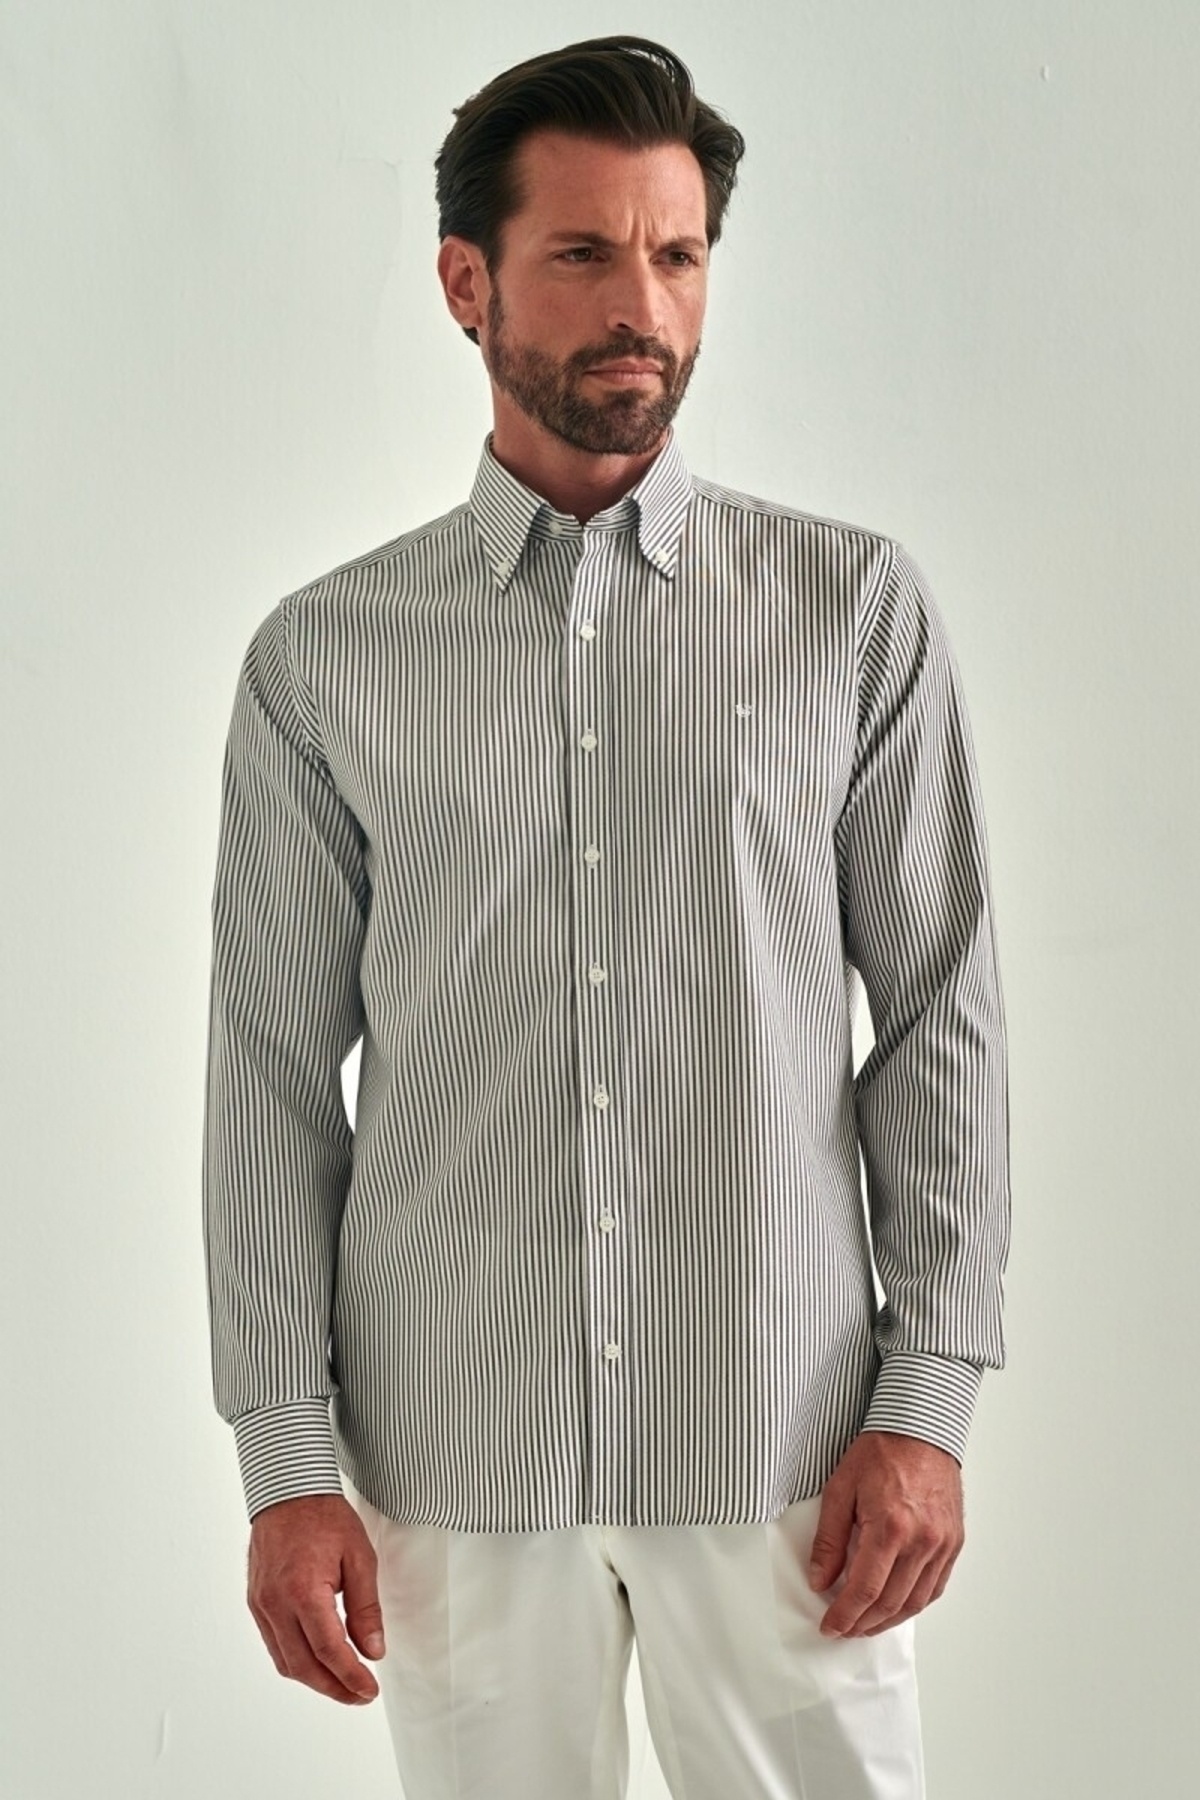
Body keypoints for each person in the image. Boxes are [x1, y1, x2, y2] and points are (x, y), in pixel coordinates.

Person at [202, 34, 1010, 1800]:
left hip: (789, 1442)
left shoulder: (852, 612)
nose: (641, 303)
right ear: (466, 283)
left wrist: (928, 1404)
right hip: (454, 1454)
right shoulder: (325, 658)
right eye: (582, 253)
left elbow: (940, 1014)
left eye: (678, 253)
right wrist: (284, 1458)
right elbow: (269, 1075)